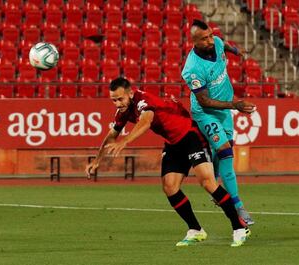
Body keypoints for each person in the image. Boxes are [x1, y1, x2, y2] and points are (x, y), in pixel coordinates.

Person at [85, 77, 249, 247]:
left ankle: (238, 227)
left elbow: (145, 121)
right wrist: (97, 161)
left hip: (191, 136)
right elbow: (111, 136)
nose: (118, 103)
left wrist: (125, 141)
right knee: (170, 187)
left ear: (130, 94)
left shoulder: (143, 101)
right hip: (173, 143)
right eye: (114, 100)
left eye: (120, 99)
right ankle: (196, 230)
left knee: (207, 182)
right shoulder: (123, 112)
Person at [182, 19, 256, 225]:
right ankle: (238, 206)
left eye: (210, 35)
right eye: (204, 38)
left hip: (223, 111)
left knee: (222, 154)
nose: (210, 40)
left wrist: (236, 51)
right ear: (194, 41)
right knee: (225, 152)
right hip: (205, 113)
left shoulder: (215, 41)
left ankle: (213, 181)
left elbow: (224, 44)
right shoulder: (192, 69)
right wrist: (236, 105)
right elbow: (204, 100)